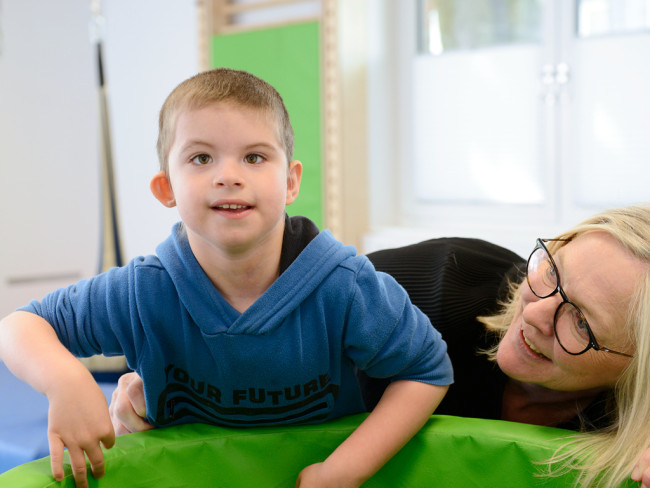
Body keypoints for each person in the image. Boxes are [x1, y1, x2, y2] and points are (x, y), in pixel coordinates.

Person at [0, 68, 453, 488]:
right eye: (201, 158)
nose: (229, 176)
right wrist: (66, 379)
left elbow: (426, 369)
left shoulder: (343, 284)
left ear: (291, 182)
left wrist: (342, 471)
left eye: (254, 157)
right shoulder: (143, 291)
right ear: (167, 189)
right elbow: (19, 325)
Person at [112, 203, 650, 488]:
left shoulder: (631, 420)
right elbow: (252, 312)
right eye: (550, 270)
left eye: (579, 322)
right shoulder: (436, 287)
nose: (533, 313)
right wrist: (172, 373)